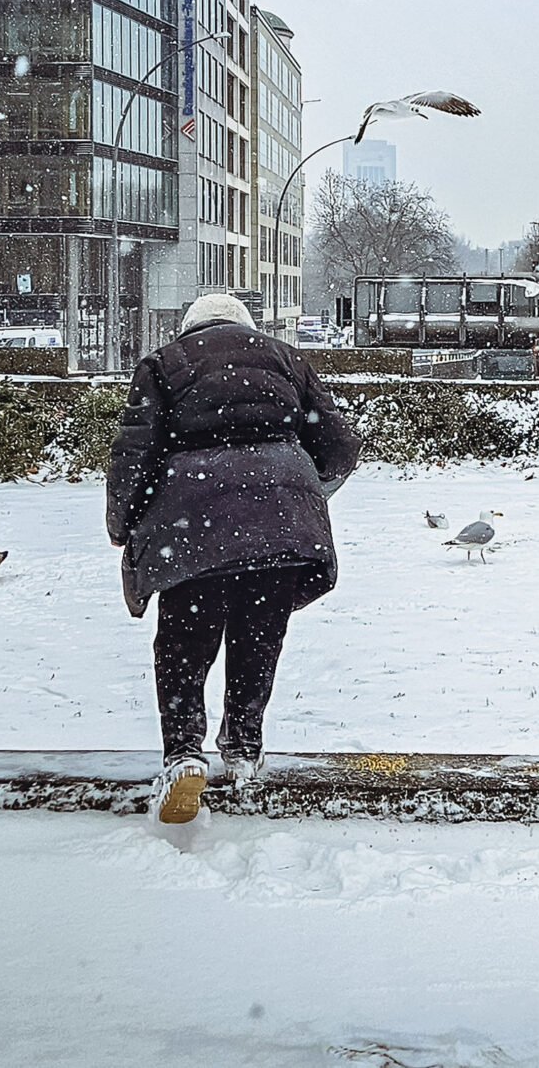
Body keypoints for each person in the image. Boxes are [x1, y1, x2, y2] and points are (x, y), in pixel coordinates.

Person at [106, 293, 360, 824]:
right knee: (259, 635)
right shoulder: (288, 359)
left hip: (192, 525)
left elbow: (134, 453)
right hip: (280, 525)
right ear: (245, 326)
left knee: (184, 641)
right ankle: (243, 748)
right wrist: (293, 489)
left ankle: (183, 754)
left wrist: (123, 523)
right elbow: (339, 446)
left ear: (190, 328)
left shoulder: (164, 364)